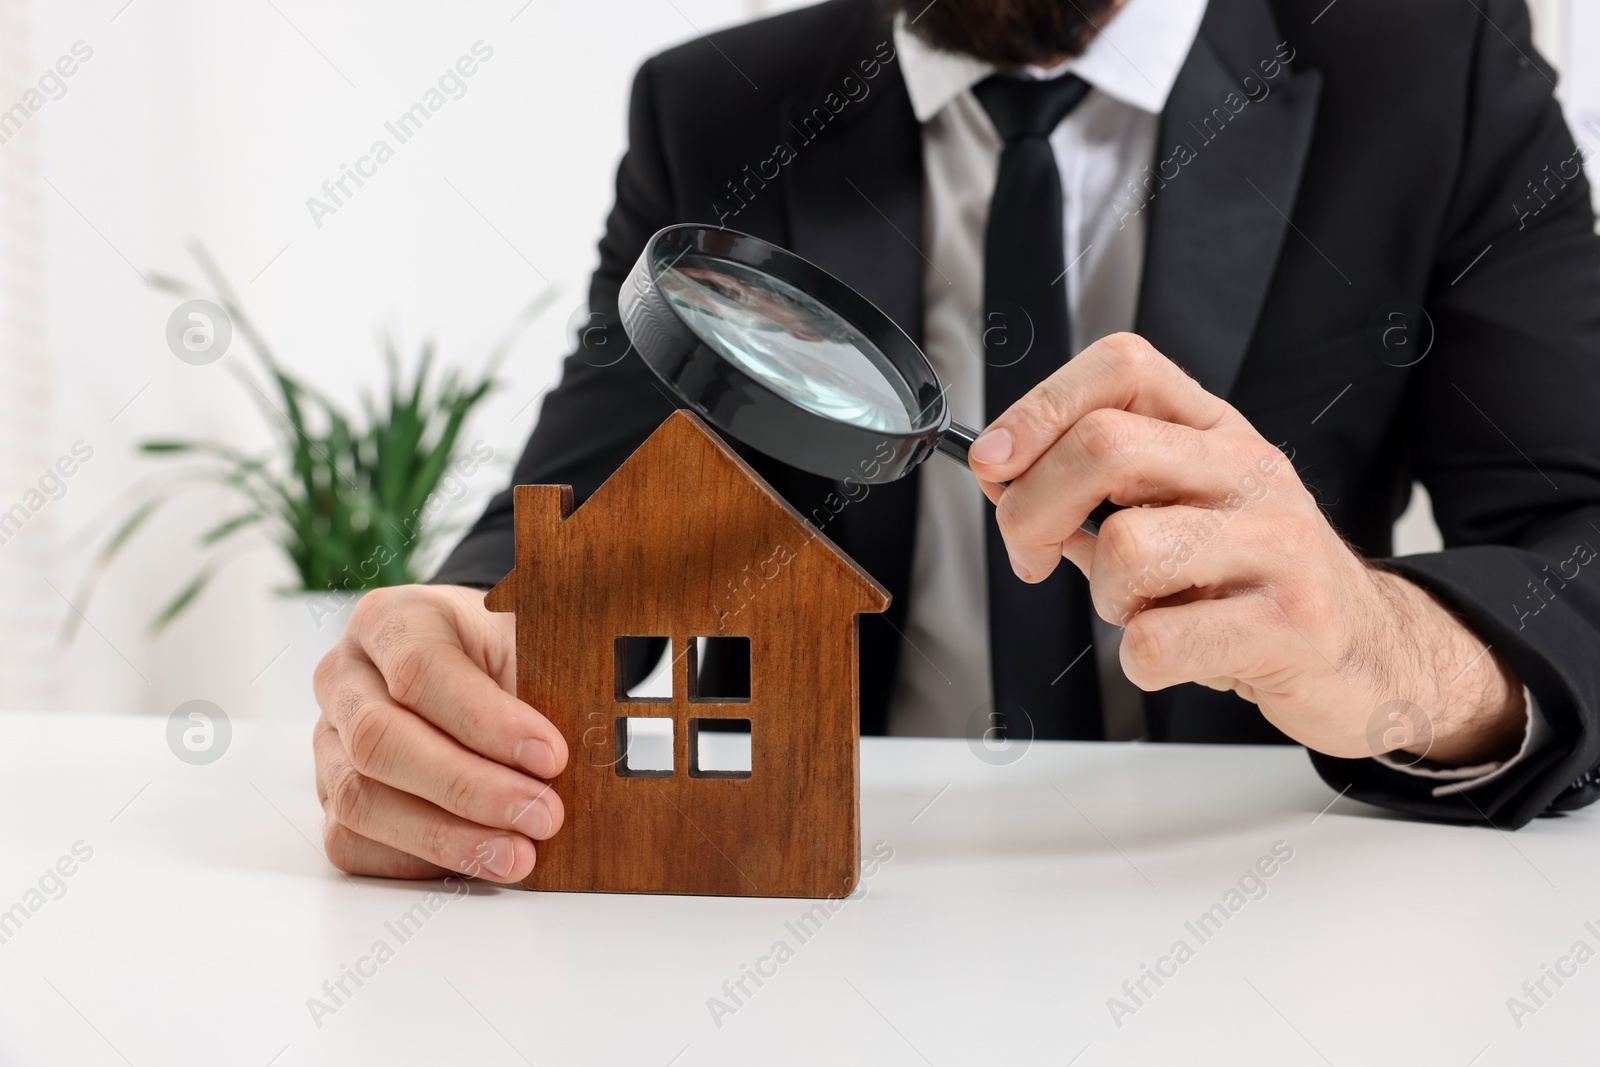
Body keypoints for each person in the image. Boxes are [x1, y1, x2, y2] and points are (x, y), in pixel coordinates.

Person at [311, 0, 1600, 883]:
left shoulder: (1442, 69)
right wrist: (448, 664)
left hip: (1270, 887)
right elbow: (576, 509)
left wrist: (1389, 651)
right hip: (857, 902)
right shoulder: (716, 107)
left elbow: (1581, 527)